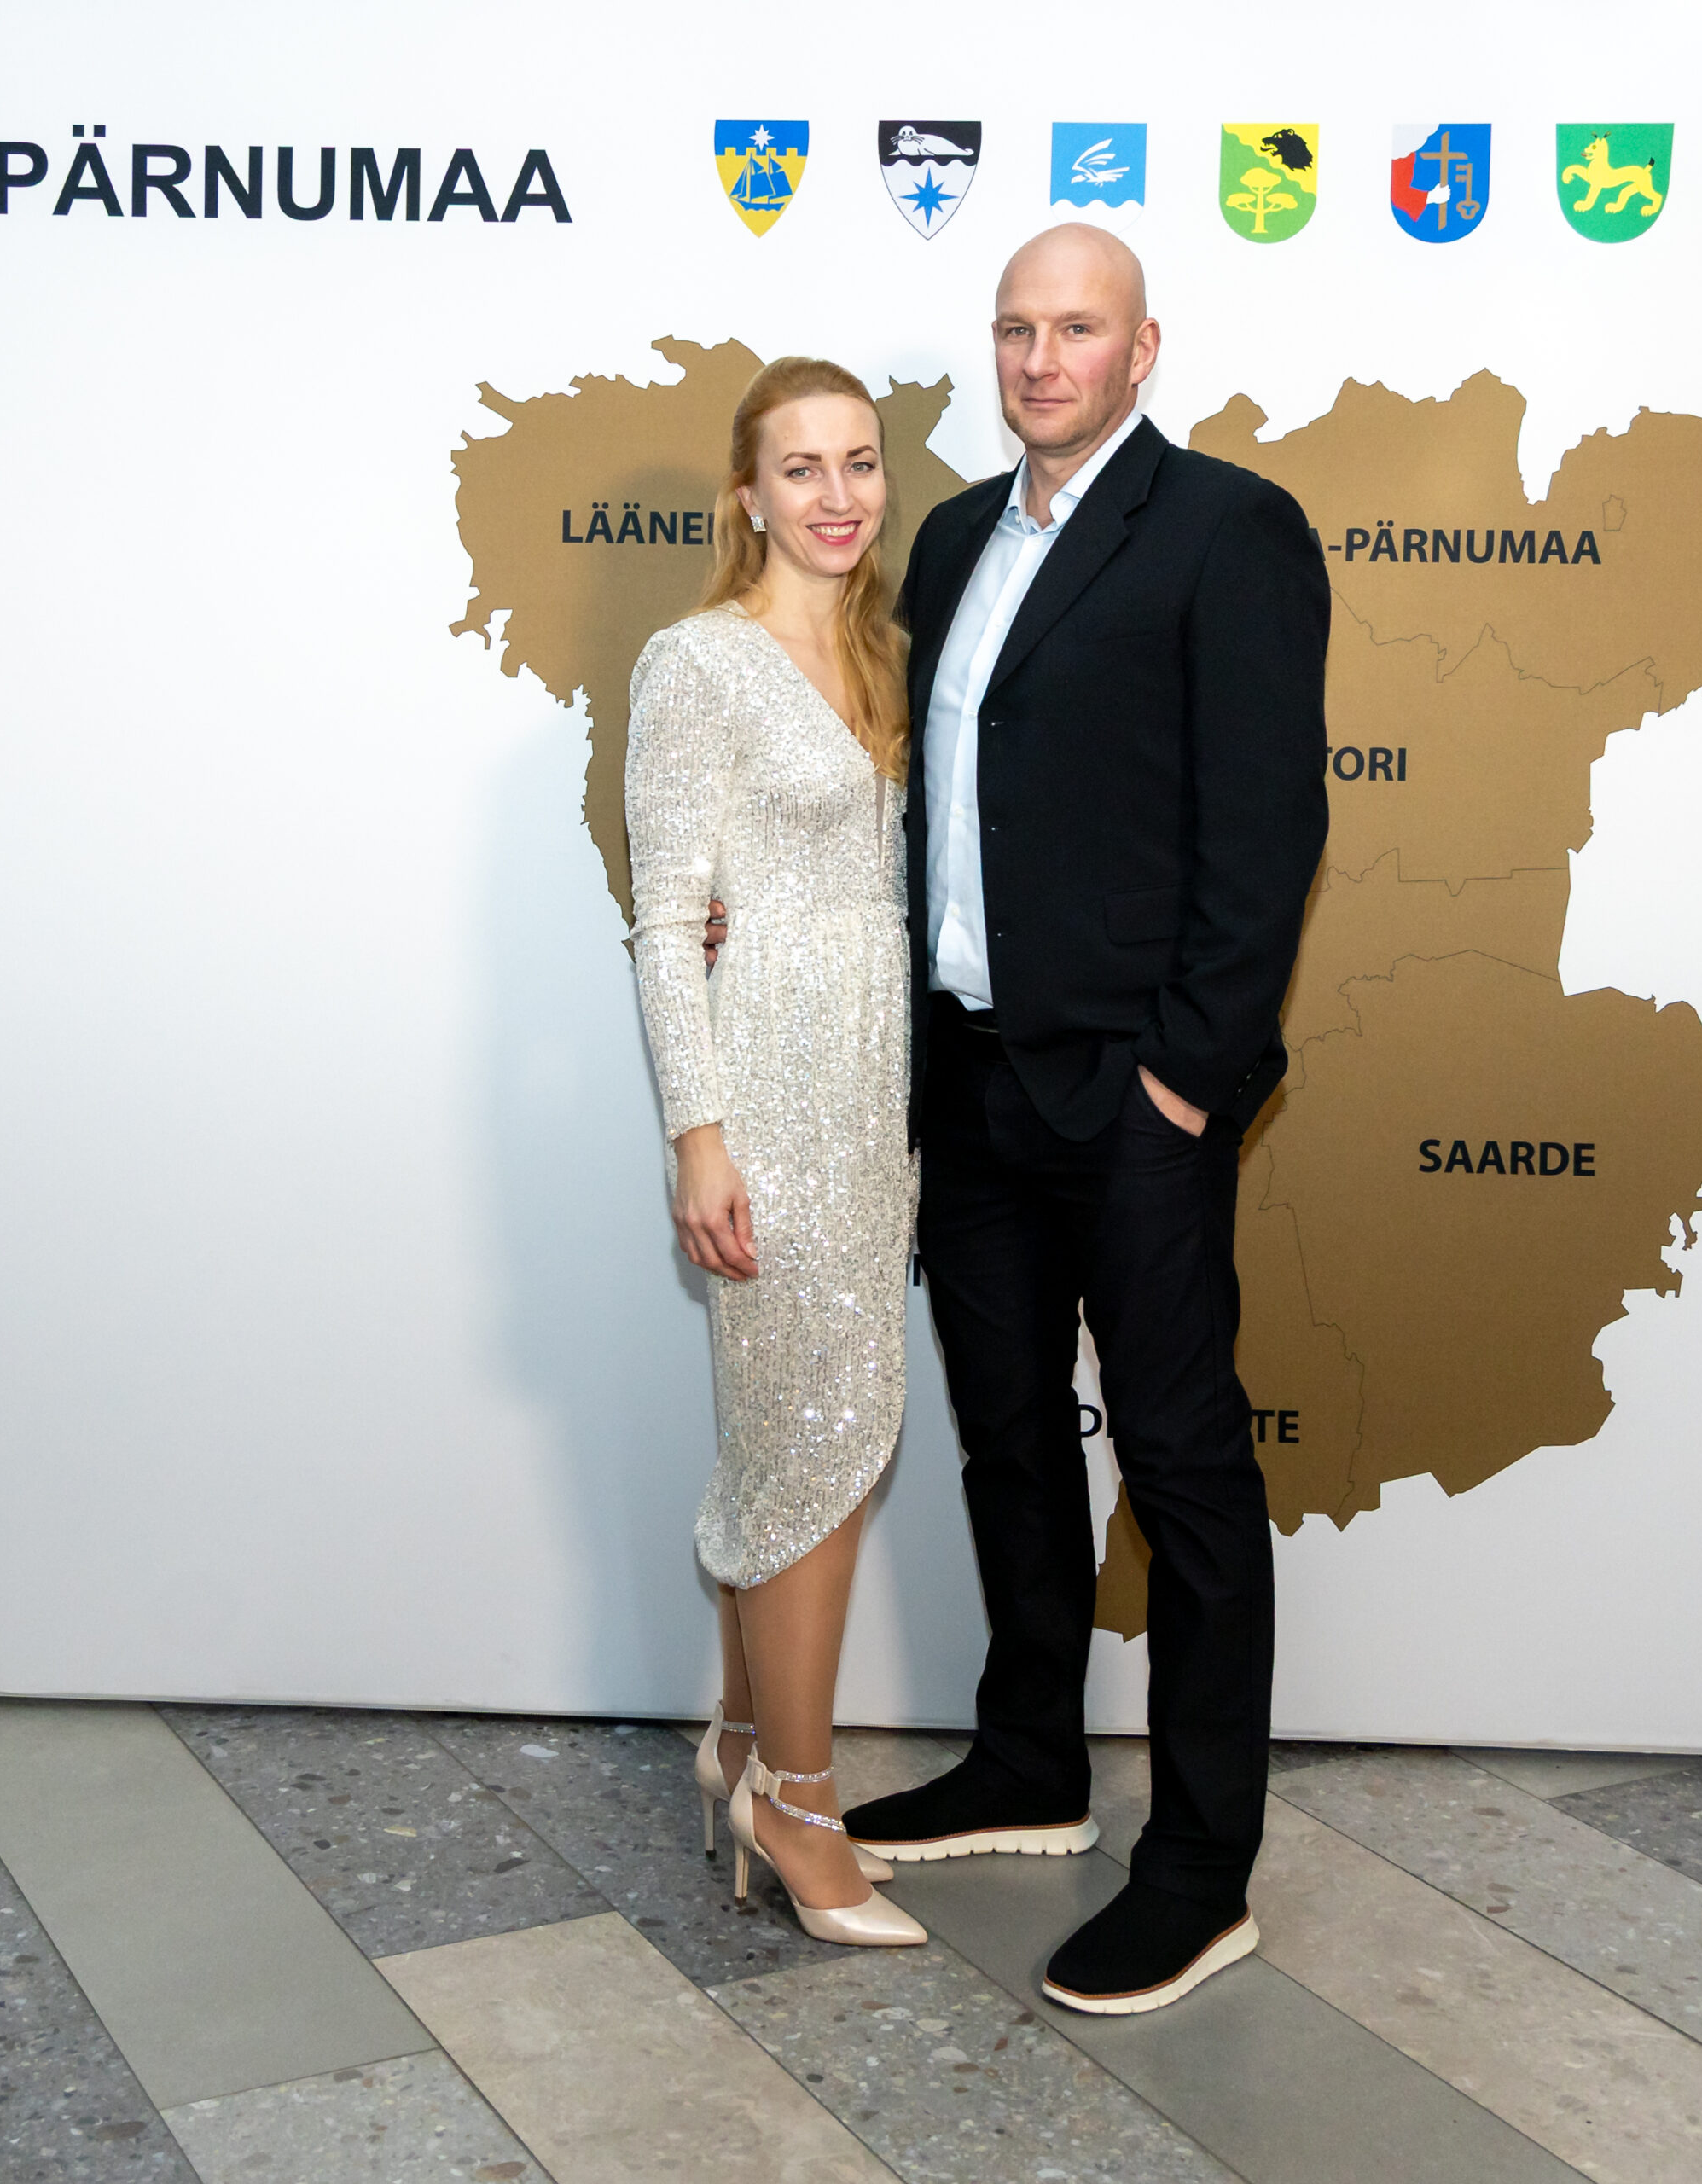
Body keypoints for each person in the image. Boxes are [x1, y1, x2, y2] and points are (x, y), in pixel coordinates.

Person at [834, 223, 1330, 2012]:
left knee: (1182, 1469)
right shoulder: (955, 537)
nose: (1041, 360)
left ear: (1142, 348)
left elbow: (1267, 825)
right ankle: (1029, 1757)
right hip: (971, 1081)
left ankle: (1198, 1868)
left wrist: (1186, 1070)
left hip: (1133, 1091)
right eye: (1016, 328)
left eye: (1077, 329)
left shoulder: (1226, 529)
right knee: (1009, 1438)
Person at [625, 356, 927, 1949]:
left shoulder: (883, 653)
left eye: (858, 463)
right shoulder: (697, 663)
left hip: (873, 1100)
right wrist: (700, 1138)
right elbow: (666, 918)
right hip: (769, 1102)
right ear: (745, 494)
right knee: (811, 1450)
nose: (835, 495)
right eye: (798, 468)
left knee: (810, 1442)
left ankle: (742, 1747)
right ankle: (800, 1810)